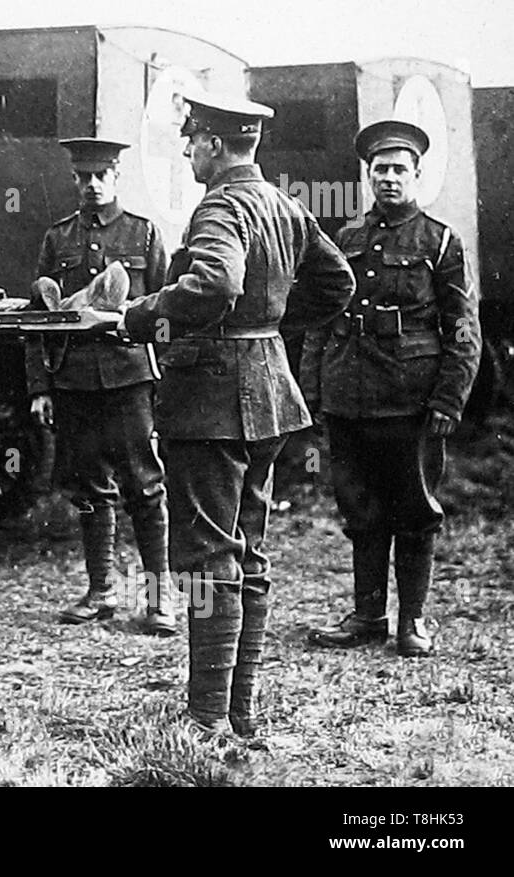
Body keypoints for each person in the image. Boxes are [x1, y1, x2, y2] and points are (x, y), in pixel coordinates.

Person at [117, 90, 354, 737]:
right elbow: (338, 285)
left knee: (203, 560)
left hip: (212, 402)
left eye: (191, 139)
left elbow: (215, 282)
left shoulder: (219, 205)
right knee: (247, 551)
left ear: (215, 144)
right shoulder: (285, 205)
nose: (188, 150)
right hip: (268, 396)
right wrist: (267, 330)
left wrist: (143, 314)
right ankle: (238, 713)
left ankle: (205, 721)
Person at [305, 120, 480, 658]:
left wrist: (450, 398)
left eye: (399, 169)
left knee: (414, 508)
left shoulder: (440, 240)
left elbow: (463, 327)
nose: (388, 178)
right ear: (368, 175)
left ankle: (413, 620)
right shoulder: (347, 238)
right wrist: (314, 392)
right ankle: (367, 614)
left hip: (411, 397)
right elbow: (321, 317)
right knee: (359, 506)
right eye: (379, 169)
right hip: (350, 393)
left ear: (417, 175)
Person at [25, 138, 176, 635]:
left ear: (116, 177)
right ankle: (101, 590)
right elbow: (38, 320)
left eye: (101, 175)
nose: (92, 185)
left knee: (145, 485)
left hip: (129, 375)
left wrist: (165, 378)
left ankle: (159, 599)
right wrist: (41, 387)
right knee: (89, 485)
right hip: (74, 378)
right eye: (83, 177)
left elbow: (165, 311)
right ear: (74, 180)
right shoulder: (58, 238)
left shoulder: (143, 233)